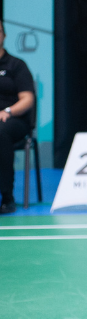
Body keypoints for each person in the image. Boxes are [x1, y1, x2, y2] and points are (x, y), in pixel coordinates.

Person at [0, 21, 36, 214]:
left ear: (4, 36)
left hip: (14, 120)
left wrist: (8, 111)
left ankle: (7, 197)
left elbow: (27, 99)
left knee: (1, 133)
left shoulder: (16, 65)